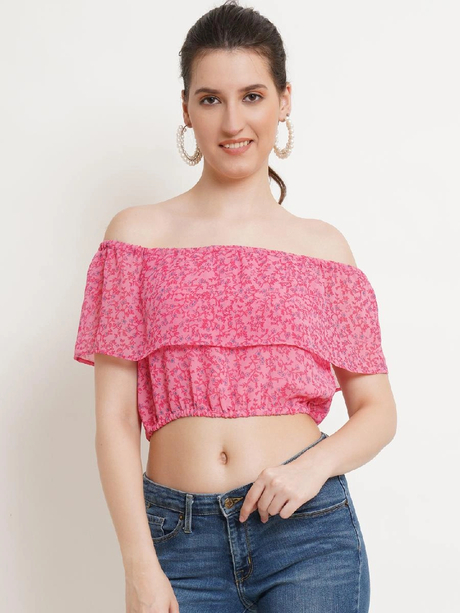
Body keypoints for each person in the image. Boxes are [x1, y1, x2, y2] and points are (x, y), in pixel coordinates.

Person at [73, 1, 397, 611]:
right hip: (178, 544)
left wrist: (312, 467)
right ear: (186, 109)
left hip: (307, 536)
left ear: (284, 101)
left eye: (252, 95)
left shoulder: (324, 249)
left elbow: (378, 410)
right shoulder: (136, 239)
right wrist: (139, 566)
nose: (232, 122)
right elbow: (115, 420)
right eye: (210, 99)